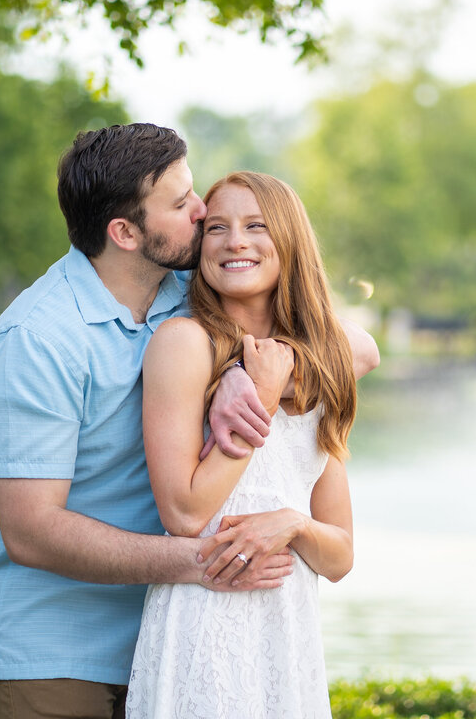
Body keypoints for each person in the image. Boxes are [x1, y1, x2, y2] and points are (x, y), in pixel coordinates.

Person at [0, 124, 378, 719]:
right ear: (126, 233)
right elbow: (30, 531)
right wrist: (207, 561)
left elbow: (356, 349)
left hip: (179, 626)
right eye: (183, 203)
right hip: (62, 649)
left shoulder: (185, 286)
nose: (203, 209)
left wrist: (247, 372)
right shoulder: (36, 340)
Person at [127, 172, 359, 718]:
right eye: (217, 228)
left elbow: (342, 556)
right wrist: (261, 393)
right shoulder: (182, 343)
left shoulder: (318, 370)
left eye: (256, 226)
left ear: (289, 241)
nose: (235, 241)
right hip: (205, 624)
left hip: (288, 636)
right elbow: (184, 513)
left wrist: (294, 524)